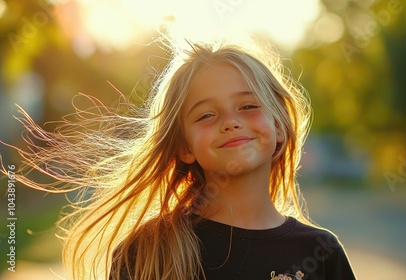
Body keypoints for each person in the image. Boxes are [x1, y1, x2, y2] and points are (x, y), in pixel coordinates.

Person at [1, 38, 356, 279]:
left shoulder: (321, 253)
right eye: (206, 115)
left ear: (279, 126)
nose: (231, 121)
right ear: (184, 146)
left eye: (248, 106)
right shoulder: (146, 253)